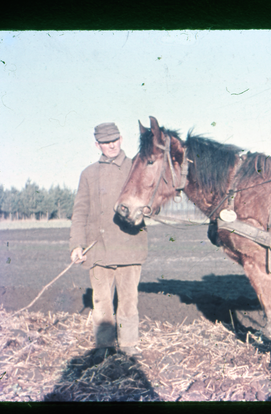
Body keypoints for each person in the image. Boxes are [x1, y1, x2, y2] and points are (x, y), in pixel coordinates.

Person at [69, 122, 148, 359]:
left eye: (114, 140)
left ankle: (129, 346)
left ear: (121, 139)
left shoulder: (137, 167)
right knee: (102, 301)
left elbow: (151, 198)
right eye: (105, 142)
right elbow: (80, 211)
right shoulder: (89, 174)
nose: (111, 145)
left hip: (129, 245)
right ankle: (103, 347)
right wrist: (76, 245)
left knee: (128, 300)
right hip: (98, 248)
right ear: (97, 145)